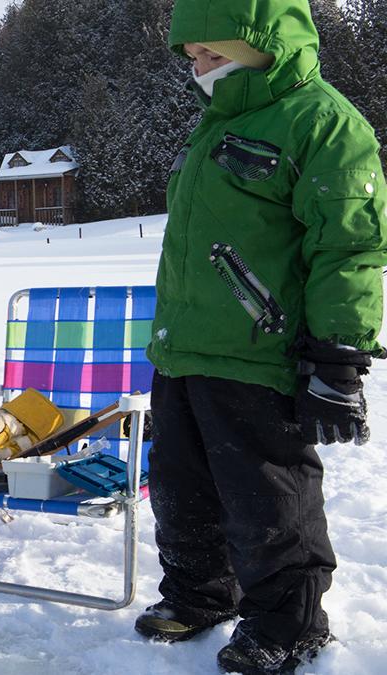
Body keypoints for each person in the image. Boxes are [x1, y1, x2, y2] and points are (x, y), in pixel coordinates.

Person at [138, 1, 387, 673]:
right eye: (193, 59)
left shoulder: (324, 122)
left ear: (263, 43)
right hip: (184, 346)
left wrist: (339, 355)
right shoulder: (215, 125)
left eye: (213, 56)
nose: (200, 71)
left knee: (266, 495)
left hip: (258, 353)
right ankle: (198, 590)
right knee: (180, 486)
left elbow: (352, 249)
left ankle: (289, 618)